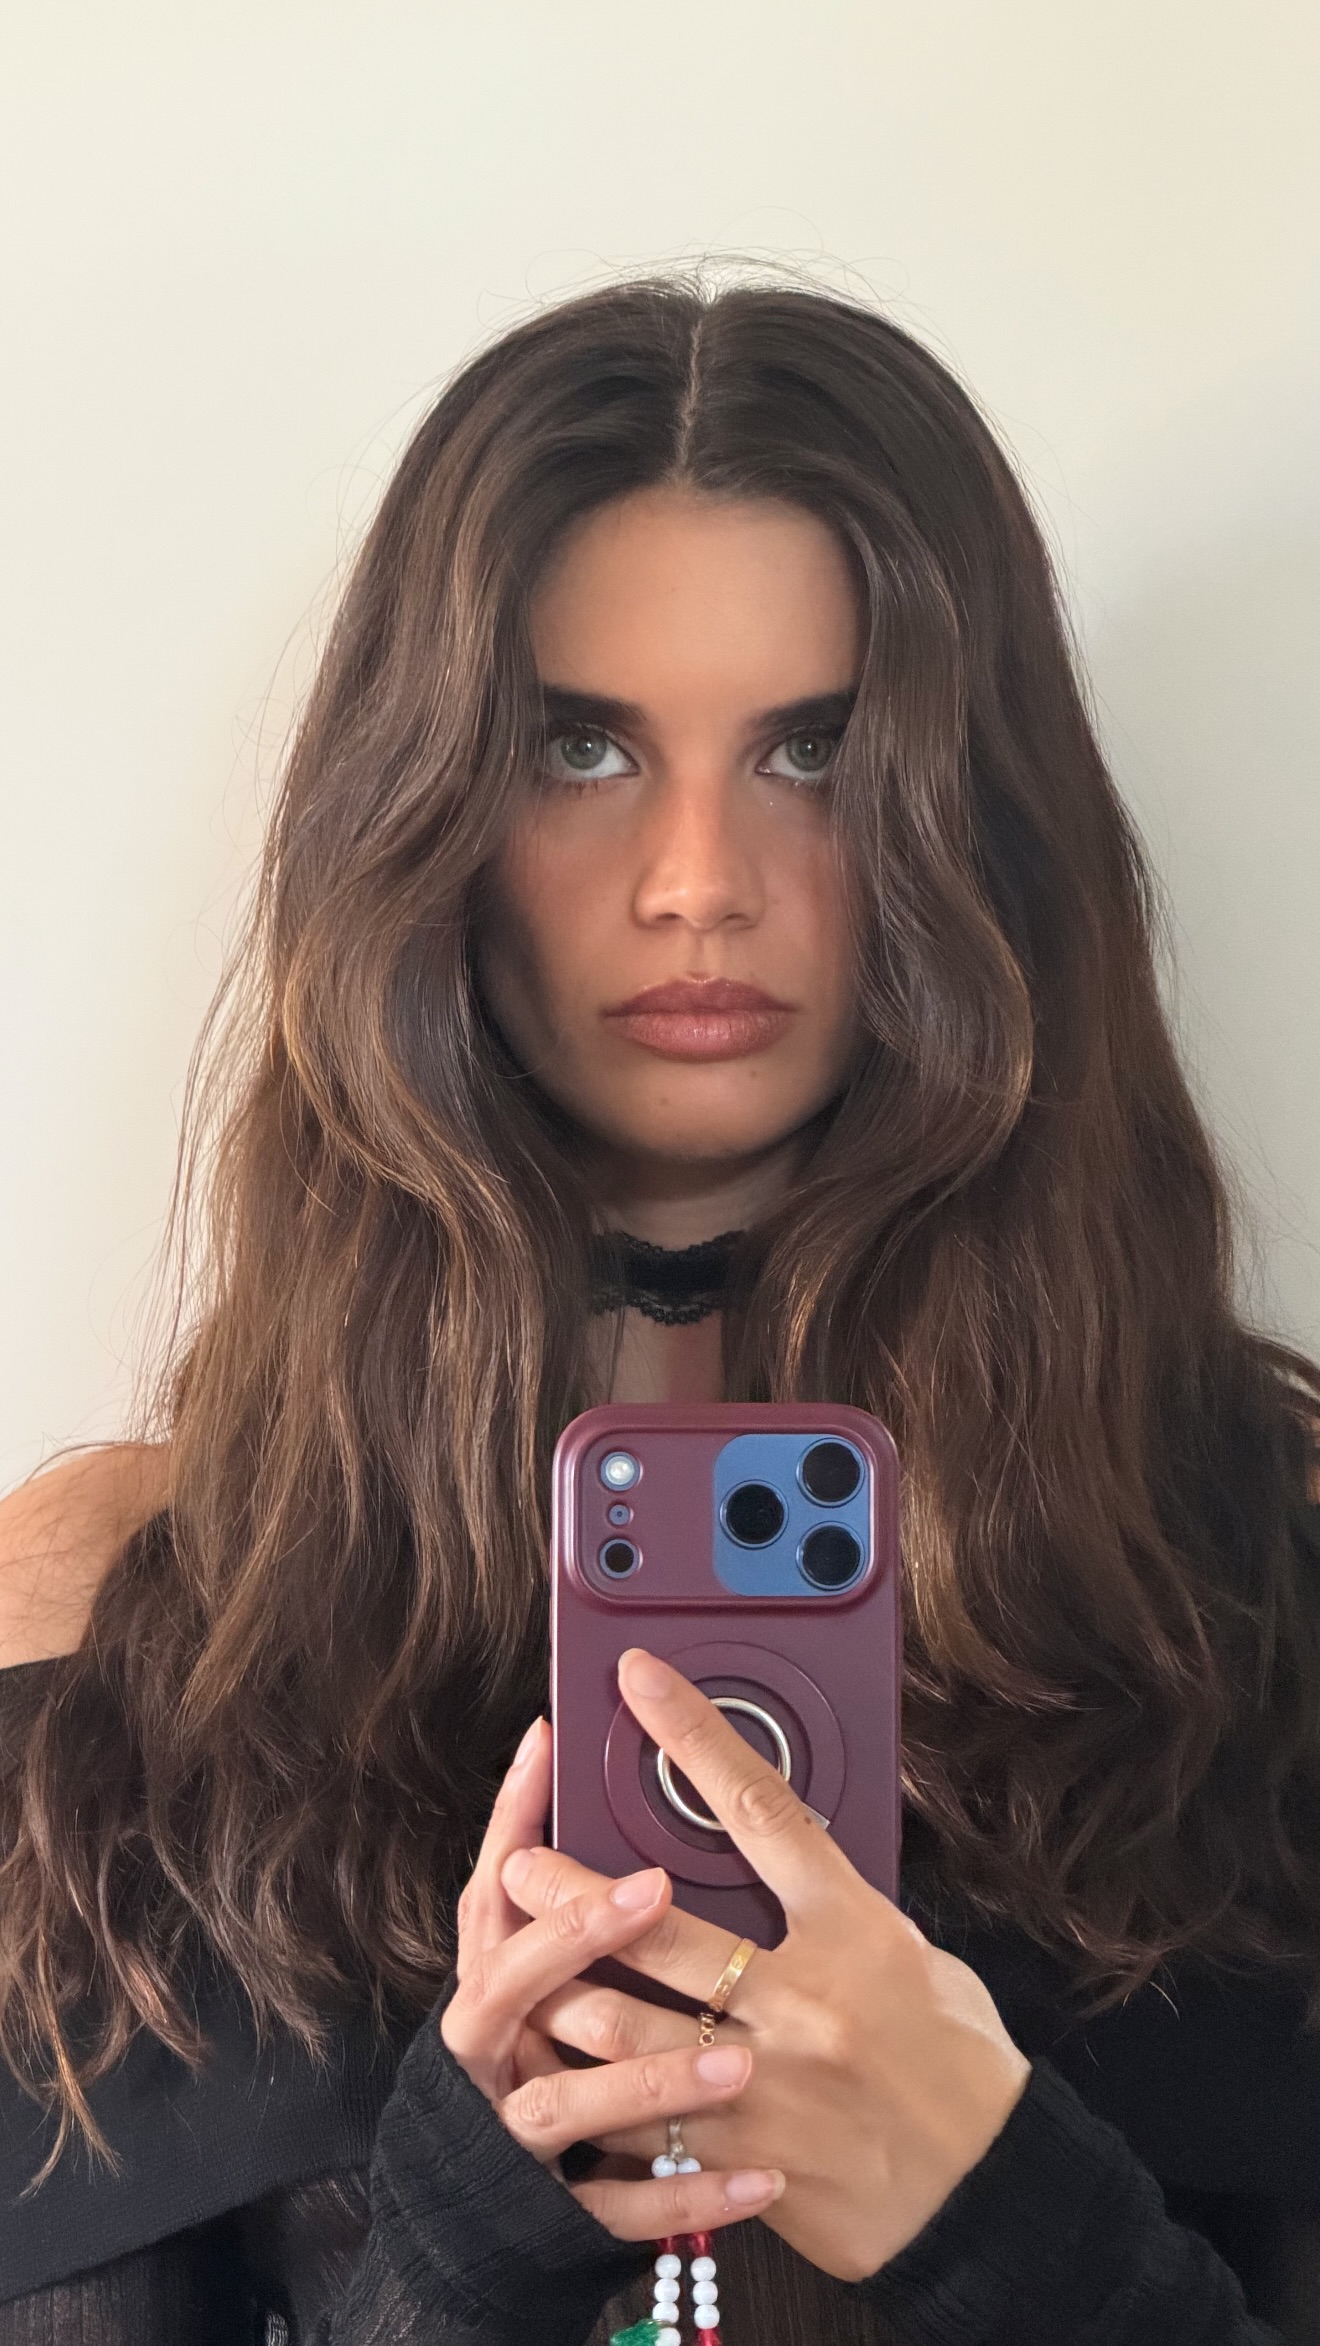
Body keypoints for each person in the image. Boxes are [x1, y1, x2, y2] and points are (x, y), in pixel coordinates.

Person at [2, 274, 1319, 2346]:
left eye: (817, 749)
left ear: (975, 817)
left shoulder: (1256, 1577)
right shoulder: (134, 1624)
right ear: (425, 812)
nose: (698, 877)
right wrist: (460, 2242)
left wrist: (1013, 2222)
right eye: (580, 747)